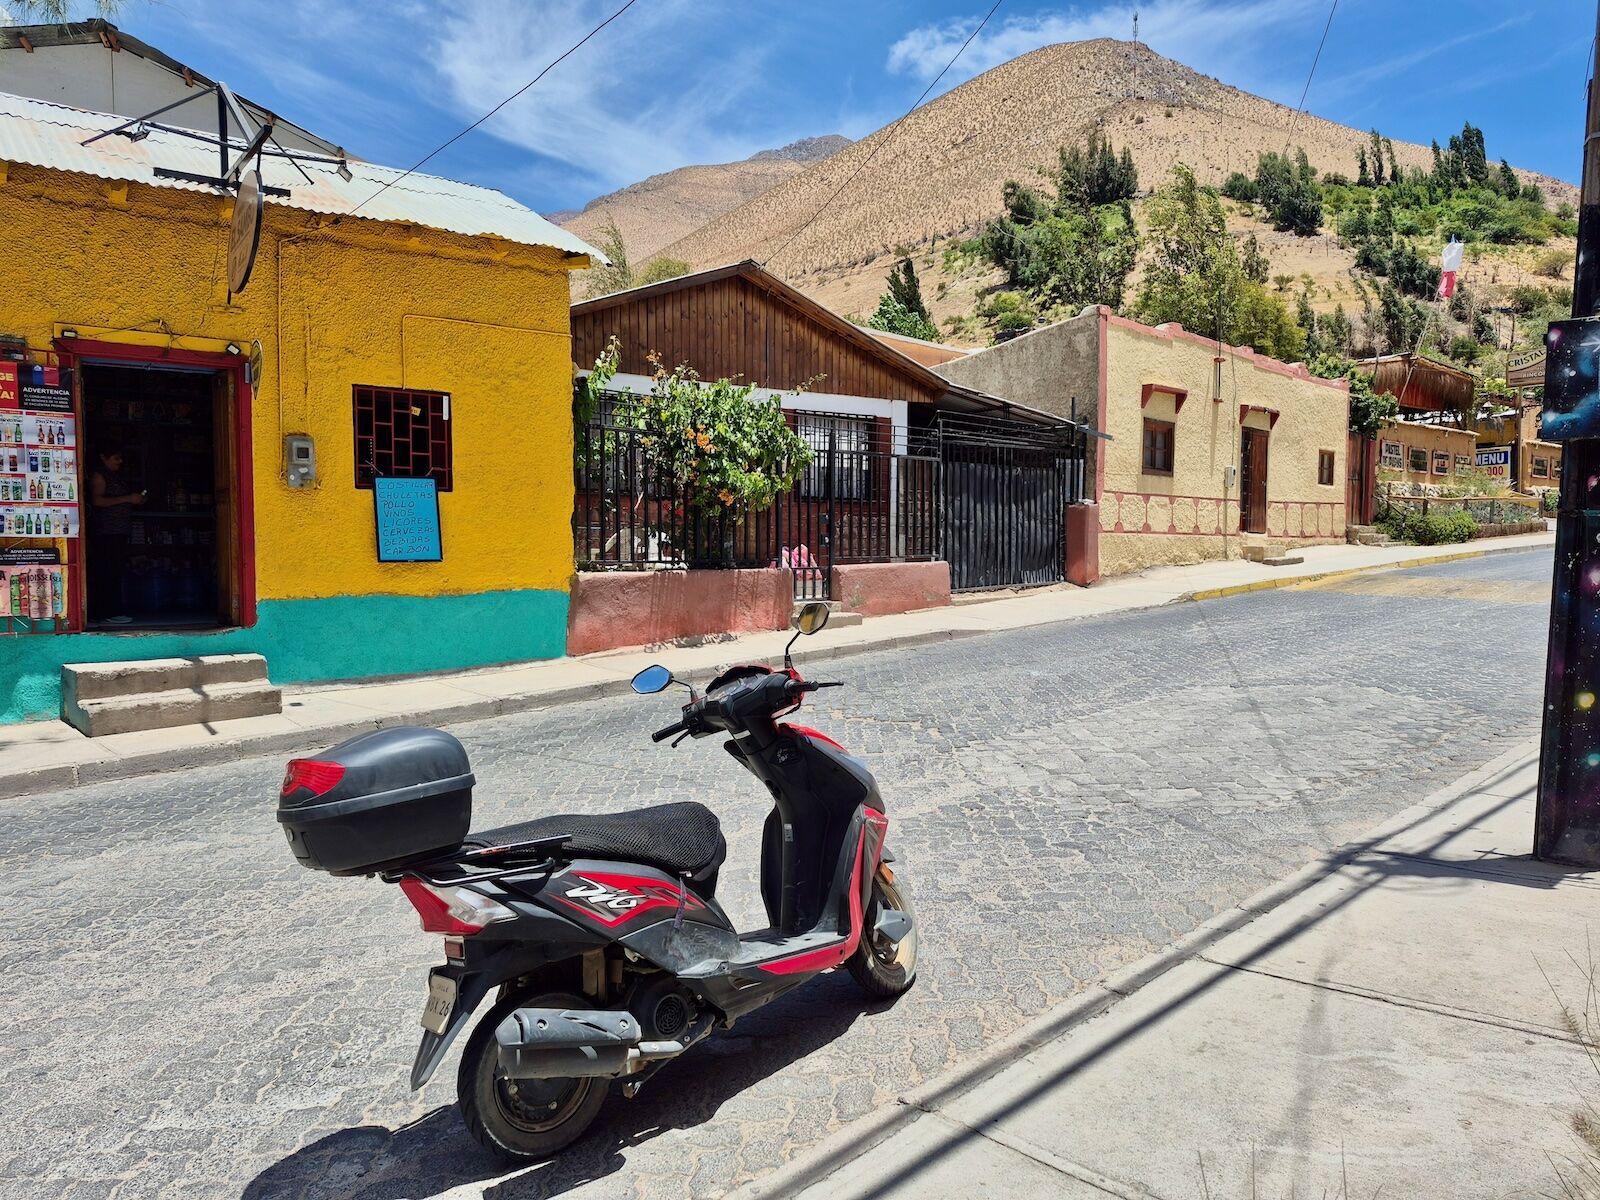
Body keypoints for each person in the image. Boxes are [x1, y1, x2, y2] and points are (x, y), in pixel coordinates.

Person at [89, 447, 144, 623]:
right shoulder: (99, 475)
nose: (120, 461)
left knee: (115, 571)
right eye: (116, 458)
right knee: (107, 571)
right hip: (106, 531)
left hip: (118, 530)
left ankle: (112, 610)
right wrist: (128, 498)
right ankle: (107, 612)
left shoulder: (115, 476)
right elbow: (97, 500)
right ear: (103, 457)